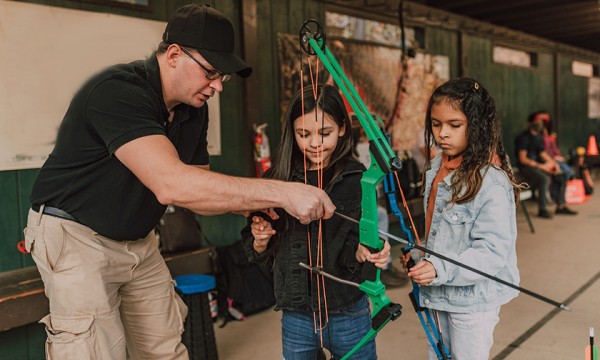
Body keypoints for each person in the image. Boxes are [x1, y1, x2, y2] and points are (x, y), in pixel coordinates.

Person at [24, 5, 334, 360]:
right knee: (92, 352)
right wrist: (283, 191)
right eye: (212, 72)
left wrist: (255, 204)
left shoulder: (193, 110)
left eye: (224, 77)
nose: (217, 85)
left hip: (138, 241)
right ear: (173, 55)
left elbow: (197, 189)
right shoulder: (118, 92)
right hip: (76, 237)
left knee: (166, 348)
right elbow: (172, 184)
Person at [241, 84, 390, 359]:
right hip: (297, 314)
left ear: (343, 128)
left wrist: (362, 251)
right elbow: (258, 249)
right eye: (303, 134)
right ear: (292, 132)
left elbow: (354, 248)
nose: (314, 143)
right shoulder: (277, 178)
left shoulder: (358, 180)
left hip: (348, 309)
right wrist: (260, 240)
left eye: (325, 133)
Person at [404, 78, 522, 360]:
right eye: (435, 124)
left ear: (477, 125)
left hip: (471, 304)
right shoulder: (436, 167)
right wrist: (421, 255)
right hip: (437, 293)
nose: (442, 133)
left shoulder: (491, 183)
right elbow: (439, 232)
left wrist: (438, 268)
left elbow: (492, 253)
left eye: (454, 125)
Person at [515, 111, 577, 218]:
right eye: (536, 122)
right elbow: (523, 159)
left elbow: (543, 154)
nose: (539, 124)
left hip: (538, 165)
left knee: (561, 174)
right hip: (525, 168)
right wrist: (541, 166)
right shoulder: (523, 138)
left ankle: (561, 206)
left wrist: (553, 164)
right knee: (544, 179)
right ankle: (542, 209)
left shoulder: (538, 138)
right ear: (530, 123)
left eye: (540, 122)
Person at [538, 111, 574, 180]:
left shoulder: (550, 137)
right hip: (545, 161)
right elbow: (541, 153)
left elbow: (555, 151)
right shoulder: (538, 137)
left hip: (554, 160)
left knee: (569, 171)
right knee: (563, 172)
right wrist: (553, 158)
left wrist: (559, 157)